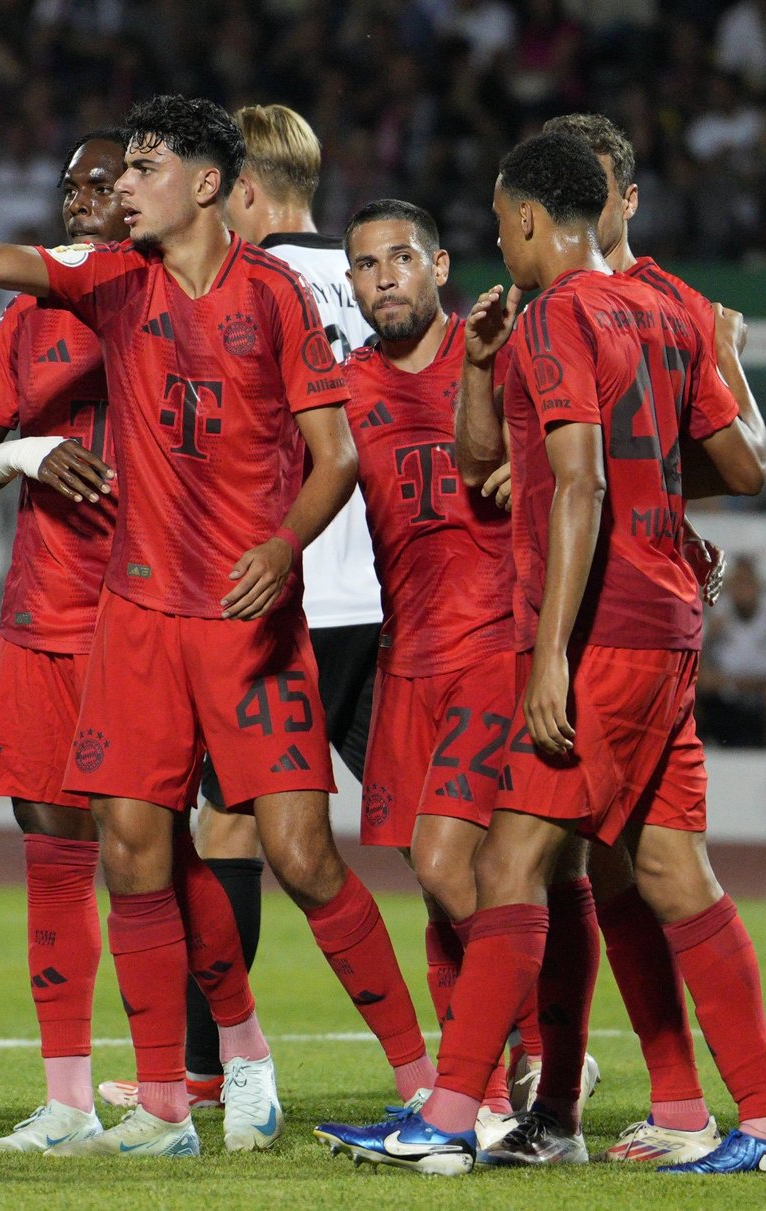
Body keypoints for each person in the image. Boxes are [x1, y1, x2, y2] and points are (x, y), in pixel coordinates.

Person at [0, 95, 428, 1159]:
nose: (120, 188)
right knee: (129, 851)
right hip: (137, 622)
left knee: (304, 857)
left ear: (204, 183)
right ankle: (161, 1106)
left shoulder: (279, 298)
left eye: (142, 168)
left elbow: (336, 456)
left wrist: (280, 545)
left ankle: (424, 1083)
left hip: (251, 622)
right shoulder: (113, 285)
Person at [319, 131, 766, 1177]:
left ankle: (451, 1116)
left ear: (534, 222)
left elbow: (580, 483)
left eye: (501, 227)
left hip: (602, 634)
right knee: (670, 868)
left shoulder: (564, 314)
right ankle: (764, 1124)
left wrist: (548, 656)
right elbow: (716, 461)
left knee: (507, 862)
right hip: (667, 622)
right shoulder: (671, 311)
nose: (503, 245)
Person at [138, 101, 386, 1115]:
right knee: (451, 832)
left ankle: (207, 1068)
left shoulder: (247, 288)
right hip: (383, 591)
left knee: (227, 833)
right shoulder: (382, 275)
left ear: (239, 187)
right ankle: (529, 1049)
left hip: (271, 597)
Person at [529, 109, 756, 1167]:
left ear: (624, 196)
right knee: (637, 866)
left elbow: (743, 461)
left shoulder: (666, 307)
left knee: (520, 854)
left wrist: (648, 483)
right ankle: (688, 1106)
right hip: (591, 602)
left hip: (604, 615)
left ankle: (484, 1112)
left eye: (606, 178)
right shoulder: (539, 301)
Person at [334, 196, 556, 1142]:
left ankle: (539, 1051)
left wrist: (532, 469)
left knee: (445, 857)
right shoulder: (344, 384)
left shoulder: (500, 346)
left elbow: (582, 456)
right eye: (364, 266)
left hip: (494, 646)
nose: (382, 278)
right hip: (407, 654)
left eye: (399, 259)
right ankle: (495, 1095)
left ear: (439, 266)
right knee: (436, 885)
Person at [0, 128, 128, 1154]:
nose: (81, 199)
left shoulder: (166, 304)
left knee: (161, 855)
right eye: (70, 187)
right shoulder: (22, 321)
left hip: (149, 617)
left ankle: (202, 1077)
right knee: (53, 855)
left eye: (104, 183)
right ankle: (67, 1101)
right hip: (42, 621)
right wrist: (30, 449)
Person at [699, 555, 766, 749]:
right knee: (686, 697)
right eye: (737, 583)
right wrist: (707, 638)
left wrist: (731, 683)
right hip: (725, 700)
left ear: (759, 585)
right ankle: (689, 765)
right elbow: (695, 671)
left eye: (747, 582)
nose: (743, 590)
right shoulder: (716, 614)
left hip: (764, 696)